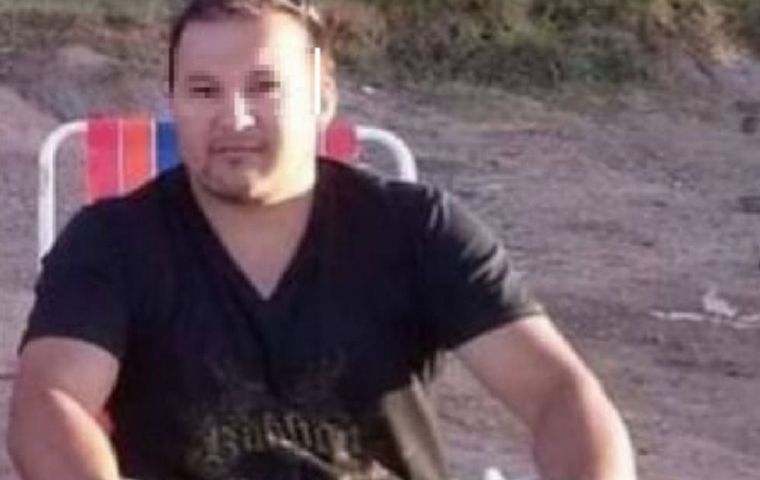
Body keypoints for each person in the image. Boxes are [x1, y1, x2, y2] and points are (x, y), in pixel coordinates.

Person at [6, 1, 637, 480]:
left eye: (265, 86)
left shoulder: (415, 229)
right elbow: (50, 400)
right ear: (173, 101)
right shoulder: (114, 240)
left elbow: (558, 392)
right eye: (203, 90)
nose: (234, 118)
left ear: (322, 98)